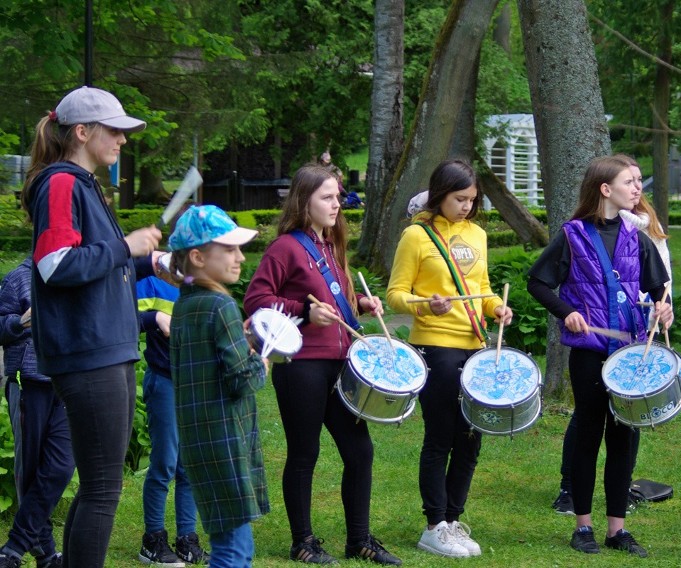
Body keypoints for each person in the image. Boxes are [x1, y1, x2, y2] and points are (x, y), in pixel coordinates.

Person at [21, 85, 162, 568]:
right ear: (82, 132)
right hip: (89, 355)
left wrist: (152, 262)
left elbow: (100, 269)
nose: (123, 141)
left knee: (99, 485)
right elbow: (55, 266)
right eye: (115, 131)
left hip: (108, 351)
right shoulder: (61, 182)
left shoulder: (84, 185)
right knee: (103, 489)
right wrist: (128, 247)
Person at [244, 165, 400, 566]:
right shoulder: (285, 248)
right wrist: (303, 312)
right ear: (304, 200)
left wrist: (361, 303)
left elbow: (336, 298)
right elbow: (257, 302)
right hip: (302, 366)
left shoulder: (330, 244)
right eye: (327, 197)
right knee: (304, 453)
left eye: (338, 196)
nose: (337, 204)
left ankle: (359, 539)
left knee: (359, 451)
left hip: (340, 362)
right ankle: (302, 541)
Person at [527, 155, 672, 558]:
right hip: (590, 355)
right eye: (630, 181)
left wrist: (663, 308)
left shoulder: (636, 237)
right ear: (605, 189)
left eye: (640, 180)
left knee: (625, 436)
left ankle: (617, 530)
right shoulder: (572, 236)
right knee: (589, 435)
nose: (638, 188)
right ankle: (583, 526)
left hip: (628, 356)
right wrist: (567, 312)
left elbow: (659, 288)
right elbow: (537, 283)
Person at [386, 159, 513, 558]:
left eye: (472, 201)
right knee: (440, 436)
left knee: (471, 437)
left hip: (474, 346)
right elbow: (395, 294)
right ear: (440, 194)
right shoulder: (415, 236)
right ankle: (434, 524)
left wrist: (496, 308)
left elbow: (484, 288)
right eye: (460, 199)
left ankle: (455, 521)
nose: (466, 207)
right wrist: (426, 305)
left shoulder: (477, 234)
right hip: (435, 346)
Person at [167, 205, 268, 568]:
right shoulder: (221, 306)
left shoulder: (187, 304)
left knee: (232, 545)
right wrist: (261, 360)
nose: (239, 257)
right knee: (233, 552)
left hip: (200, 441)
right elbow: (243, 379)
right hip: (226, 441)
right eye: (228, 249)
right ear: (197, 256)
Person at [0, 258, 75, 568]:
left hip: (69, 383)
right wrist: (21, 323)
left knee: (61, 466)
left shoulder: (77, 275)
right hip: (28, 383)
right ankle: (45, 553)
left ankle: (15, 545)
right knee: (30, 469)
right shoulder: (18, 277)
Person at [136, 269, 209, 566]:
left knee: (189, 465)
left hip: (196, 385)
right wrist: (155, 318)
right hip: (165, 381)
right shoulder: (150, 281)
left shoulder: (205, 283)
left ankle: (187, 540)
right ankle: (152, 540)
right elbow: (124, 321)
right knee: (165, 462)